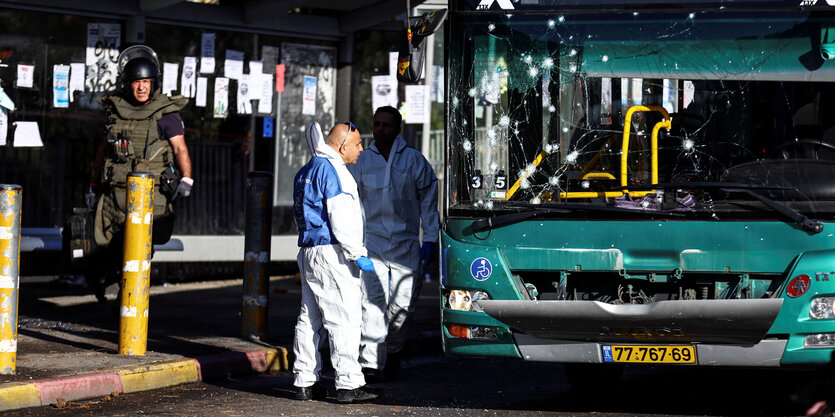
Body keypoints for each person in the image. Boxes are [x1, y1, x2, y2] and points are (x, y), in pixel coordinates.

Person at [86, 47, 193, 302]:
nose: (142, 87)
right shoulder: (115, 110)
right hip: (115, 194)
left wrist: (187, 179)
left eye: (146, 82)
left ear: (152, 83)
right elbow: (104, 150)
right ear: (128, 84)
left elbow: (180, 148)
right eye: (136, 82)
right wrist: (93, 184)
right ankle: (115, 283)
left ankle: (130, 295)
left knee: (140, 247)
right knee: (105, 243)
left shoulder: (166, 114)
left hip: (149, 195)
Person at [292, 121, 381, 404]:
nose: (361, 149)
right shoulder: (336, 172)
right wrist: (358, 254)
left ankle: (305, 380)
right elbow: (342, 218)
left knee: (309, 318)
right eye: (357, 144)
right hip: (334, 253)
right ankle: (349, 384)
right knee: (345, 318)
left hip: (308, 251)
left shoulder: (306, 170)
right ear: (342, 147)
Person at [348, 106, 440, 380]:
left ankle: (394, 350)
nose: (380, 130)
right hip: (372, 242)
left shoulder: (414, 160)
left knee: (403, 306)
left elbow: (429, 202)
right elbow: (351, 199)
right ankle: (372, 364)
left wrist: (431, 237)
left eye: (386, 125)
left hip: (406, 244)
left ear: (398, 129)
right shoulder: (362, 160)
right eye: (376, 124)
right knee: (373, 303)